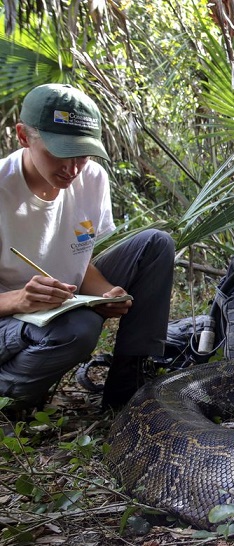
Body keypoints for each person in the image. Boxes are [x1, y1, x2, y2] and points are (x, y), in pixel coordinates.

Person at [0, 83, 175, 414]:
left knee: (155, 244)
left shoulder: (91, 178)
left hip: (58, 304)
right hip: (9, 320)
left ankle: (128, 386)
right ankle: (11, 395)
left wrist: (108, 293)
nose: (71, 168)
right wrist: (20, 299)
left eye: (81, 153)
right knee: (79, 328)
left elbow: (78, 261)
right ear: (23, 137)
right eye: (58, 152)